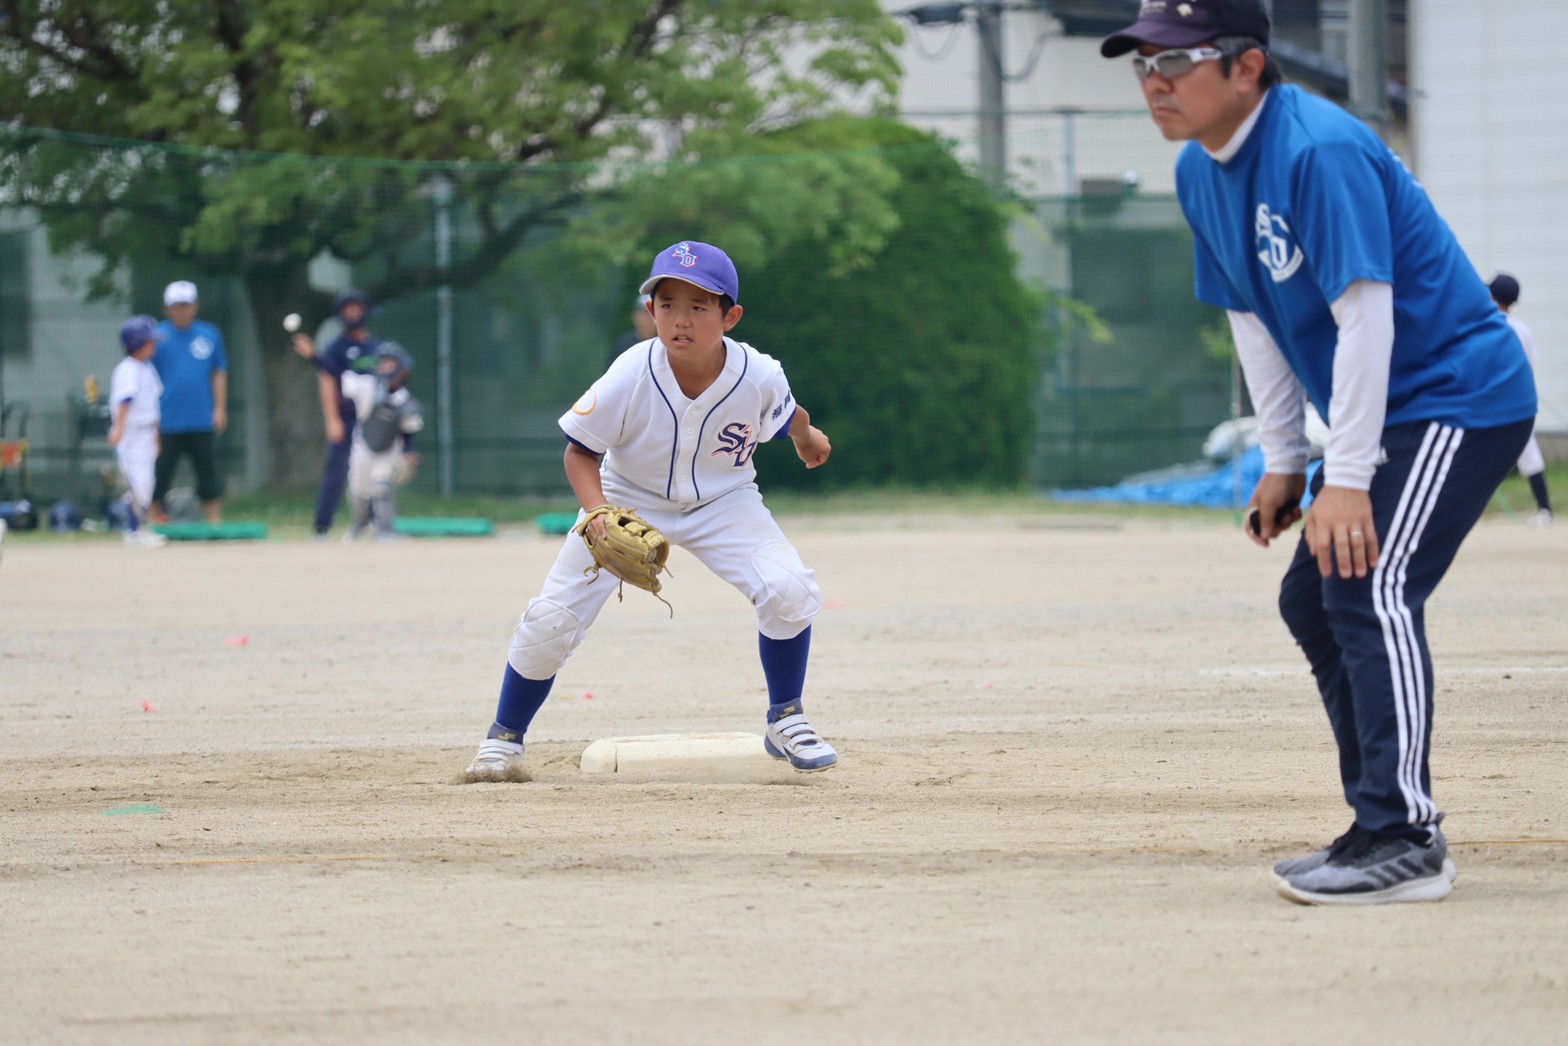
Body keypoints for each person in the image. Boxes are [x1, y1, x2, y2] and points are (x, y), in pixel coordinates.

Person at [1101, 0, 1537, 905]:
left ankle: (1406, 836)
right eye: (1143, 64)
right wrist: (1284, 458)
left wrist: (1345, 476)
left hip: (1460, 395)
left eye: (1175, 64)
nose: (1155, 82)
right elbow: (1251, 315)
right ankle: (1374, 821)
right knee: (1314, 598)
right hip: (1389, 410)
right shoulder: (1200, 170)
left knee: (1371, 584)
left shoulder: (1317, 149)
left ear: (1246, 67)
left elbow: (1365, 313)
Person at [463, 240, 837, 782]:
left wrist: (807, 437)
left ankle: (787, 718)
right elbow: (580, 451)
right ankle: (503, 740)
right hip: (625, 498)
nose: (679, 320)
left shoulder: (757, 374)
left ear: (730, 316)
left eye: (697, 307)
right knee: (550, 620)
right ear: (650, 312)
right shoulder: (632, 372)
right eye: (666, 305)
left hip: (724, 501)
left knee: (790, 589)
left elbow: (786, 412)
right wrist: (595, 514)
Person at [291, 289, 382, 538]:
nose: (352, 313)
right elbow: (330, 381)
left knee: (375, 472)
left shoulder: (377, 347)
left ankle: (375, 523)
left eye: (356, 307)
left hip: (374, 420)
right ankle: (322, 527)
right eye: (347, 308)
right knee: (337, 472)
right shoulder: (337, 348)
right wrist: (332, 419)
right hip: (347, 418)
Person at [150, 280, 229, 523]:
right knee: (160, 474)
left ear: (195, 306)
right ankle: (152, 522)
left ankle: (214, 522)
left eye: (186, 305)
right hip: (167, 419)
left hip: (200, 417)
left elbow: (219, 372)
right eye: (177, 306)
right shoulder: (157, 338)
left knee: (207, 473)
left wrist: (220, 408)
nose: (182, 310)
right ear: (167, 309)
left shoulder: (209, 335)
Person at [339, 343, 423, 541]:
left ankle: (385, 530)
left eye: (391, 363)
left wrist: (409, 451)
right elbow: (344, 382)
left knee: (382, 486)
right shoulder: (367, 387)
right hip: (363, 445)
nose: (386, 367)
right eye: (383, 362)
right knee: (357, 490)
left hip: (389, 449)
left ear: (403, 370)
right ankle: (360, 524)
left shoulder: (406, 401)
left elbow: (408, 431)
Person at [1488, 273, 1553, 526]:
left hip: (1492, 401)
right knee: (1529, 454)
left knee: (1472, 454)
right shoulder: (1522, 328)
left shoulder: (1490, 324)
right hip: (1520, 401)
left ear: (1492, 297)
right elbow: (1530, 363)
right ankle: (1545, 510)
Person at [108, 317, 169, 548]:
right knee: (137, 484)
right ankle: (134, 531)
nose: (153, 344)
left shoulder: (147, 368)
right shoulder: (128, 370)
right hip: (131, 433)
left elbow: (152, 406)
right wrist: (118, 430)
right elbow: (125, 402)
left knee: (146, 483)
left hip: (146, 432)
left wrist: (156, 437)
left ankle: (139, 529)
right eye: (149, 341)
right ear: (136, 343)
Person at [609, 293, 659, 360]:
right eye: (642, 314)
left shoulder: (665, 345)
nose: (645, 319)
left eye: (649, 314)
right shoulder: (623, 345)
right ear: (634, 316)